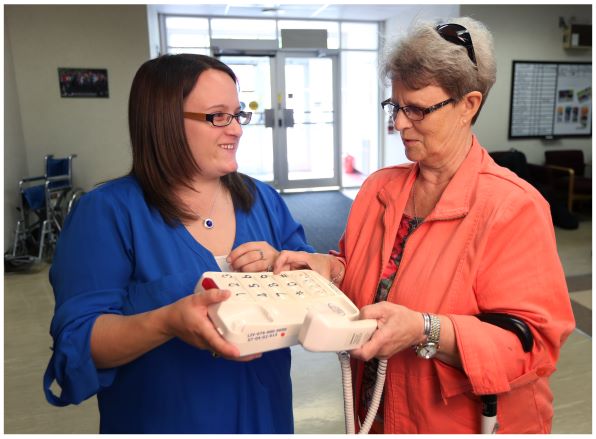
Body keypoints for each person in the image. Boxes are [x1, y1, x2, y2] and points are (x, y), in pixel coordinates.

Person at [274, 17, 575, 434]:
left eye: (417, 109)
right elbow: (366, 273)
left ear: (469, 105)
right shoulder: (380, 188)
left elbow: (535, 346)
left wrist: (426, 329)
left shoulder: (512, 208)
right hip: (377, 414)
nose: (398, 123)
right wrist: (325, 269)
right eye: (395, 106)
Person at [43, 54, 314, 434]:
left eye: (239, 114)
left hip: (265, 417)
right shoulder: (108, 214)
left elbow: (313, 280)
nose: (236, 130)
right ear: (164, 122)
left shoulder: (263, 201)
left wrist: (288, 268)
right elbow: (80, 343)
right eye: (218, 116)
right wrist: (166, 321)